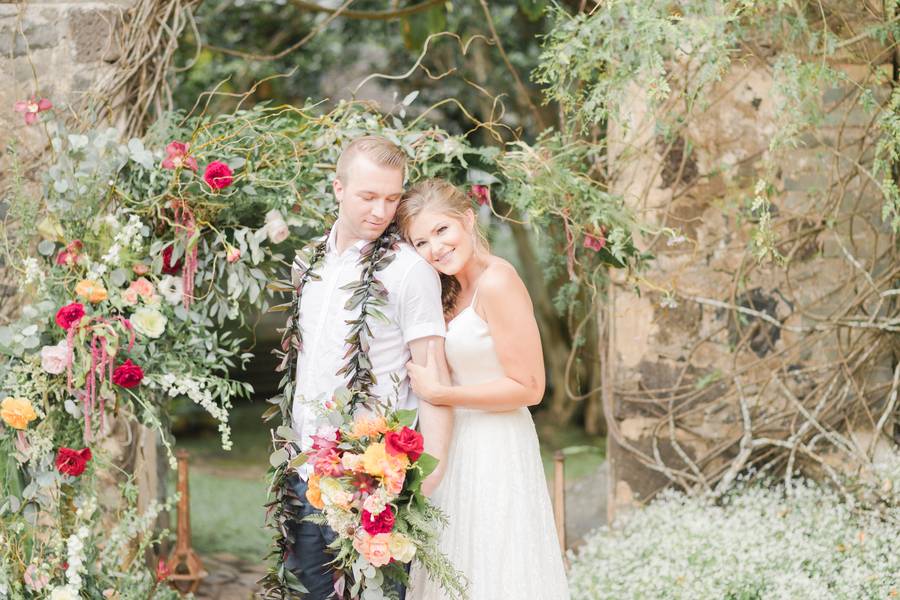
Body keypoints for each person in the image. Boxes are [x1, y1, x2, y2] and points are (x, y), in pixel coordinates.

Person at [284, 137, 453, 600]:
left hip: (371, 482)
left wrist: (425, 483)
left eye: (392, 198)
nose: (381, 211)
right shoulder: (308, 261)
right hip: (303, 474)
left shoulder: (408, 271)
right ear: (338, 188)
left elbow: (433, 374)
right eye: (368, 196)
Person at [397, 179, 570, 600]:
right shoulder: (444, 289)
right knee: (453, 565)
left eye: (442, 231)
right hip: (451, 446)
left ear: (468, 220)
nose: (435, 248)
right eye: (421, 241)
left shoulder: (498, 281)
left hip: (497, 444)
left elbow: (529, 387)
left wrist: (443, 394)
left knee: (497, 564)